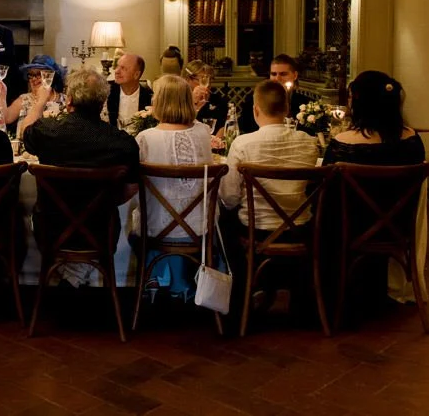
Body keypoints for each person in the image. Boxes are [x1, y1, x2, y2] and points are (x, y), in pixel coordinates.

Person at [323, 70, 426, 305]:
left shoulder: (343, 144)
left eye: (351, 98)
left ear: (361, 103)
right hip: (399, 226)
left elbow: (326, 187)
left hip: (352, 227)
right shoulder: (412, 140)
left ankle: (331, 293)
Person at [134, 74, 214, 297]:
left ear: (160, 102)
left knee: (132, 228)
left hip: (155, 229)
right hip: (198, 228)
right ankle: (178, 283)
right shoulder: (203, 133)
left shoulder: (145, 138)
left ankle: (156, 279)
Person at [221, 80, 319, 229]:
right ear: (287, 109)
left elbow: (229, 198)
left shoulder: (242, 144)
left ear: (256, 110)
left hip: (255, 228)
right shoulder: (309, 143)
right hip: (300, 228)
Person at [20, 68, 139, 171]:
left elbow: (24, 132)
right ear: (103, 102)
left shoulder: (46, 131)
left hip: (54, 191)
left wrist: (41, 101)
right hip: (103, 192)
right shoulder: (123, 143)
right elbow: (131, 187)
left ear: (69, 100)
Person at [238, 54, 310, 134]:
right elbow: (243, 128)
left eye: (283, 74)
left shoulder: (305, 104)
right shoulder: (253, 100)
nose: (277, 78)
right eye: (273, 74)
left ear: (295, 75)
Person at [2, 54, 64, 130]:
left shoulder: (65, 101)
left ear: (51, 77)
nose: (33, 79)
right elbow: (5, 119)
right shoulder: (24, 99)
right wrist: (2, 95)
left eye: (39, 74)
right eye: (31, 75)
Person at [102, 52, 153, 132]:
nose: (117, 71)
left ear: (136, 74)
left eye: (123, 68)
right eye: (117, 66)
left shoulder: (149, 96)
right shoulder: (106, 91)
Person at [184, 60, 228, 134]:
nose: (208, 83)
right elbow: (182, 125)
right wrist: (194, 102)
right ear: (188, 79)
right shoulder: (181, 100)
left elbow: (223, 127)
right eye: (202, 79)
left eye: (210, 79)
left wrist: (215, 140)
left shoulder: (218, 100)